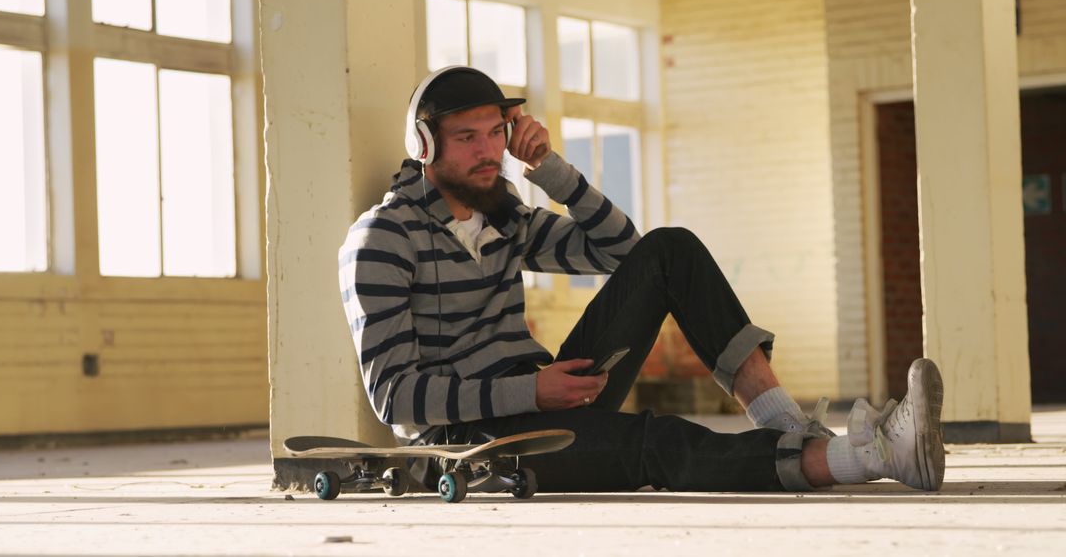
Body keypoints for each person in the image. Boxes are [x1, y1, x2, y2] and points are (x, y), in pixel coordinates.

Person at [338, 65, 946, 493]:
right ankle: (867, 457)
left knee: (669, 249)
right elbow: (396, 397)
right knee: (652, 442)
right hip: (473, 439)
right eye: (467, 137)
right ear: (424, 144)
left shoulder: (506, 218)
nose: (488, 151)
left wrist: (548, 168)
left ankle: (788, 426)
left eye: (496, 132)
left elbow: (624, 253)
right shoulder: (382, 239)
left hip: (546, 389)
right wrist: (532, 394)